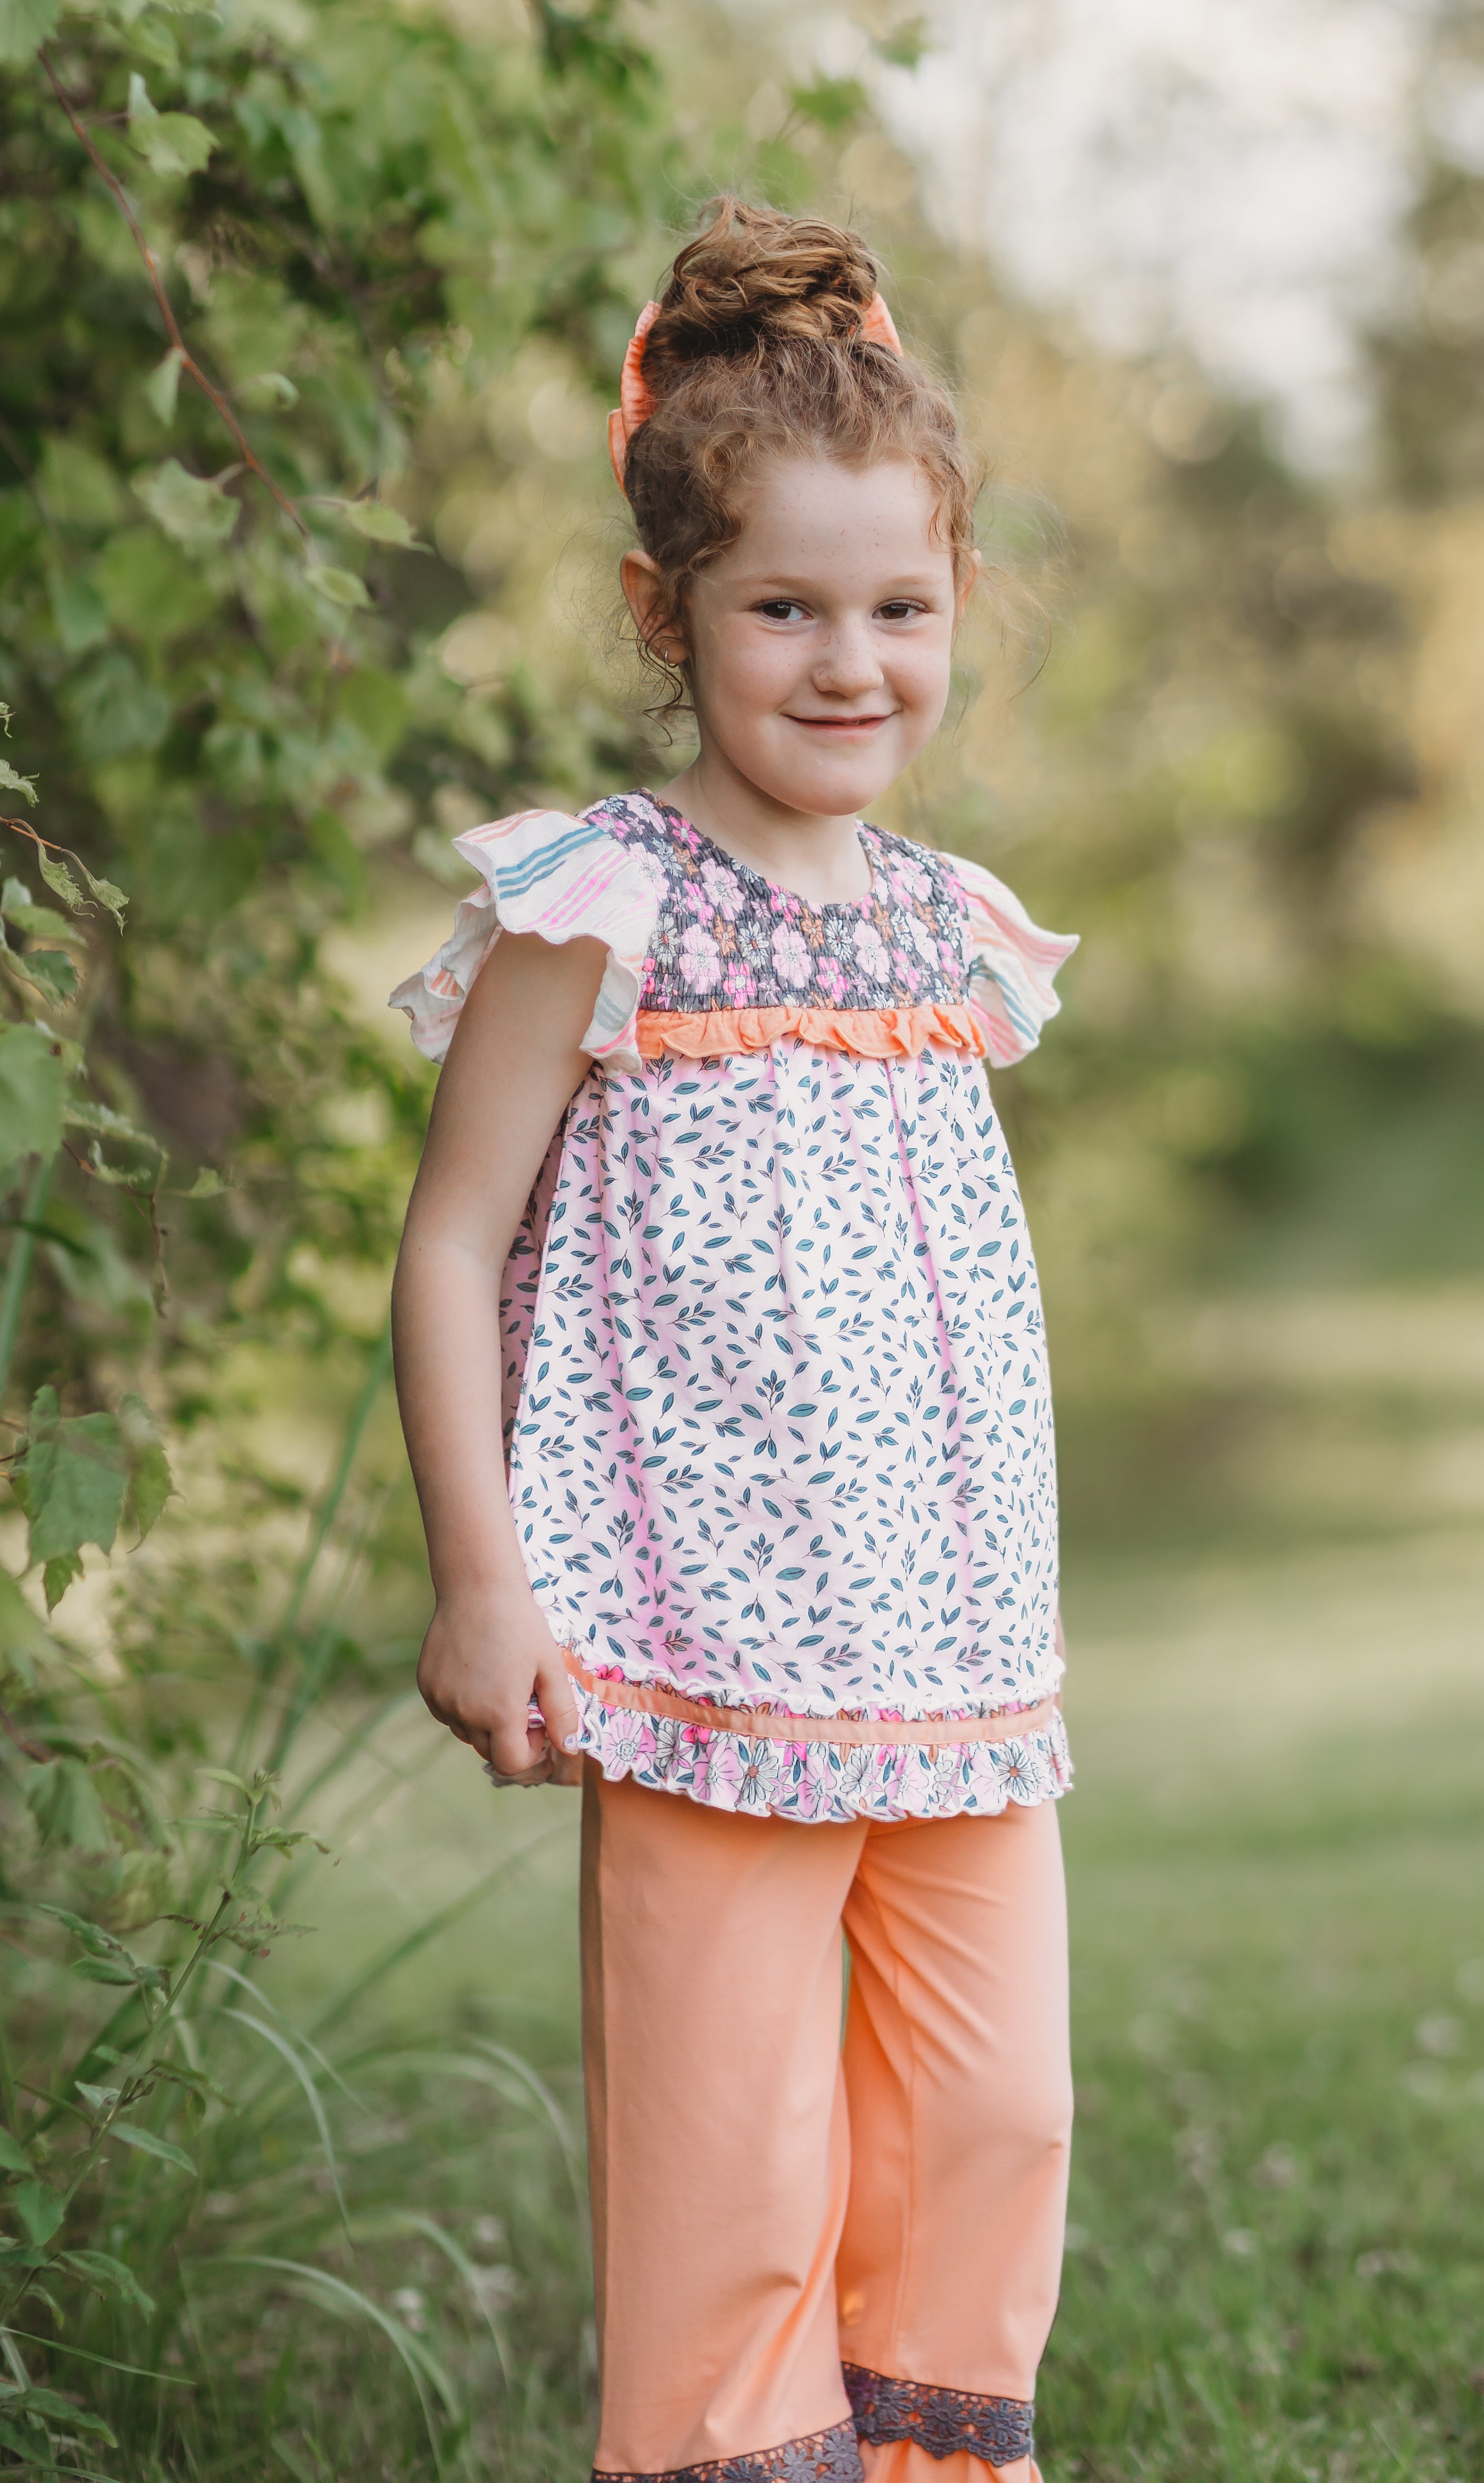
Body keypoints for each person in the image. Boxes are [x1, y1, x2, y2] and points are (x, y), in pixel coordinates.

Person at [387, 199, 1080, 2483]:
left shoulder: (948, 925)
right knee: (733, 2158)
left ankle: (934, 2461)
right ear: (664, 612)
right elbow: (455, 1235)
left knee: (995, 2109)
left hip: (954, 1651)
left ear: (955, 603)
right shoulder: (598, 904)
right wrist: (485, 1581)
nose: (850, 661)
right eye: (784, 607)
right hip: (693, 1652)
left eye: (902, 608)